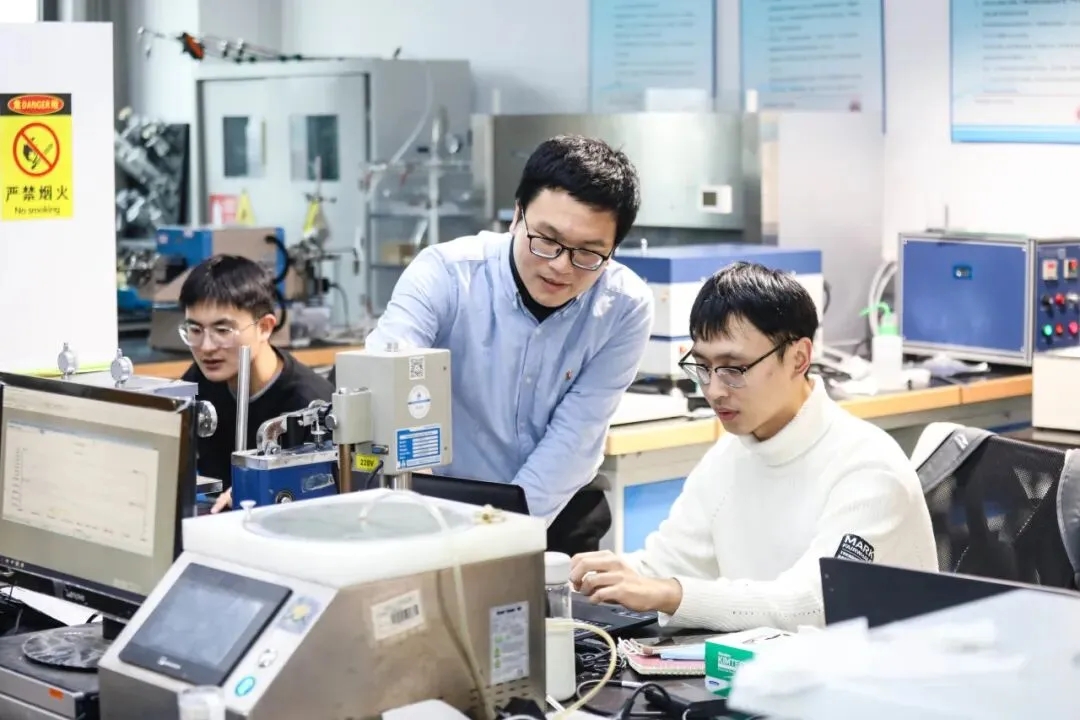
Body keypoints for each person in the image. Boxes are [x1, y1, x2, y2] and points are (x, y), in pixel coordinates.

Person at [568, 262, 937, 632]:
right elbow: (666, 566)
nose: (714, 390)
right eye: (702, 367)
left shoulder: (869, 467)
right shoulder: (731, 455)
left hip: (872, 665)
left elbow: (813, 604)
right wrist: (595, 576)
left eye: (734, 369)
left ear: (799, 358)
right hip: (775, 662)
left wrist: (671, 594)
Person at [349, 134, 654, 554]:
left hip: (554, 511)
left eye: (588, 253)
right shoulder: (446, 275)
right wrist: (418, 514)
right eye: (546, 240)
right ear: (517, 216)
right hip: (437, 508)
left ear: (613, 249)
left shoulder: (624, 307)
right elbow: (385, 384)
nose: (561, 266)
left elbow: (576, 436)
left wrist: (499, 537)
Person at [178, 255, 334, 512]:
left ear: (264, 327)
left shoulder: (310, 403)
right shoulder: (199, 381)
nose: (206, 347)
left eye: (223, 330)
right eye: (195, 330)